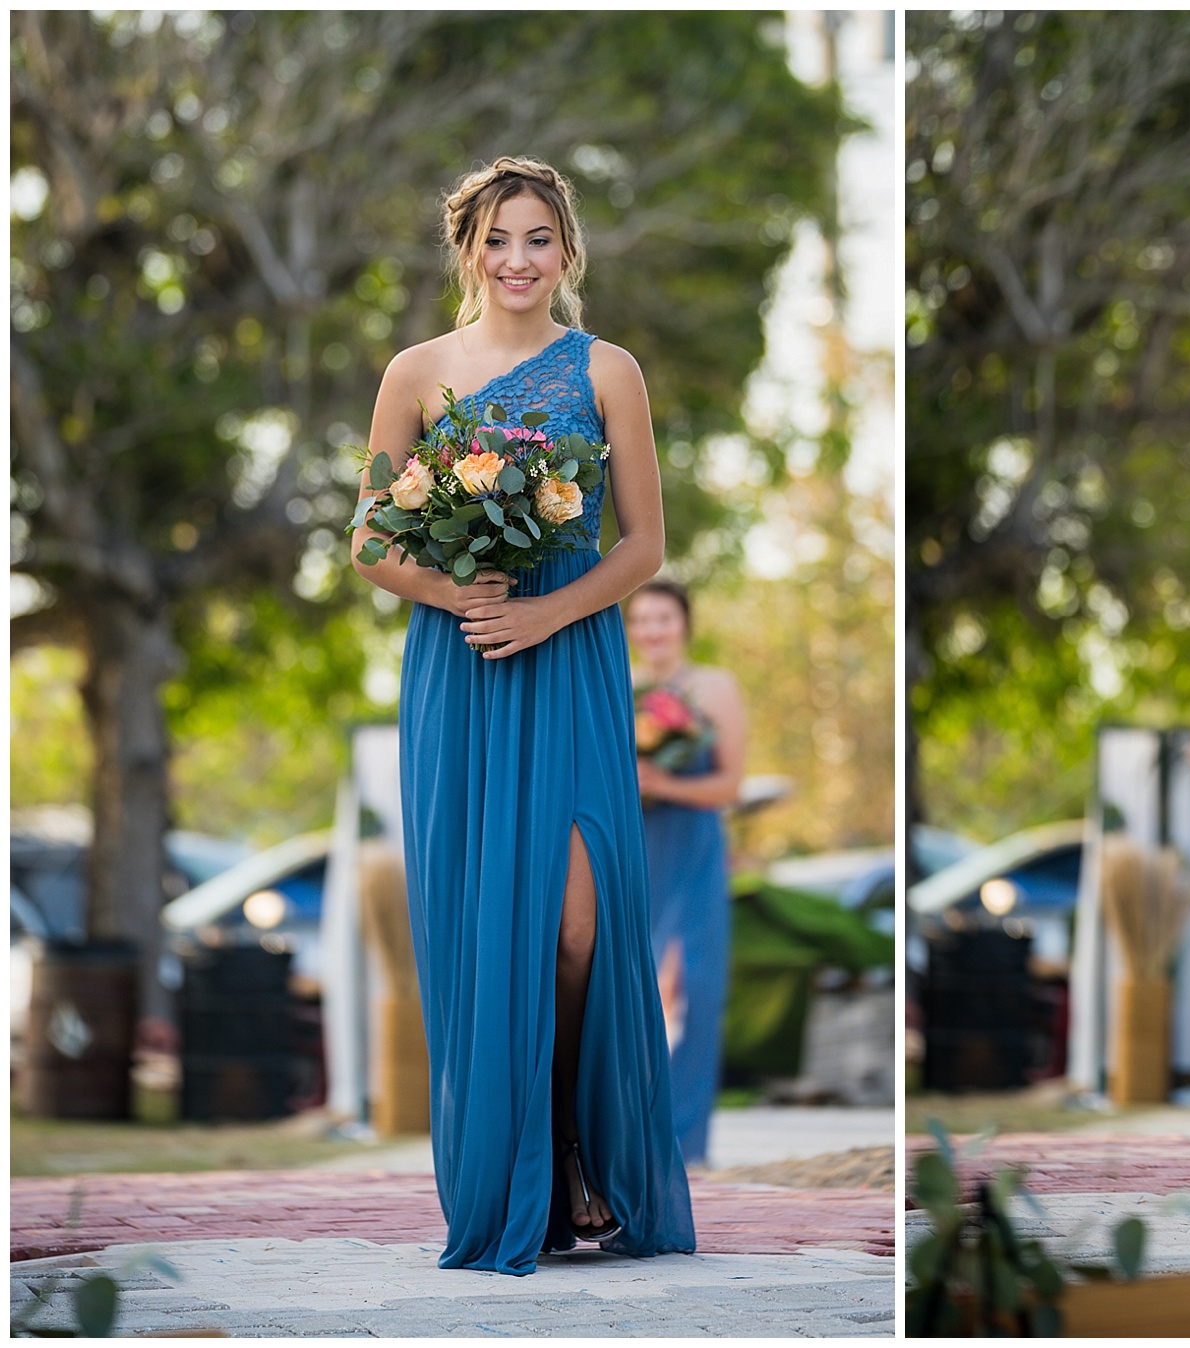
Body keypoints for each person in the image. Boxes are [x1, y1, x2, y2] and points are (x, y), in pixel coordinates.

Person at [351, 155, 694, 1274]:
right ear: (466, 252)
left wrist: (548, 616)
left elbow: (645, 544)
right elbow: (370, 541)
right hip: (462, 668)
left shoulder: (609, 370)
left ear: (568, 250)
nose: (517, 260)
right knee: (487, 929)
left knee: (579, 925)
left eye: (539, 238)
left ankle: (578, 1149)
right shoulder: (416, 372)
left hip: (572, 657)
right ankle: (531, 1181)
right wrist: (459, 591)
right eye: (498, 239)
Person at [624, 579, 748, 1165]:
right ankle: (630, 1136)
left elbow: (730, 785)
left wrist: (664, 782)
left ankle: (685, 1143)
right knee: (633, 988)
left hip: (694, 846)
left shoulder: (714, 687)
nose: (652, 630)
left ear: (684, 623)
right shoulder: (618, 686)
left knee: (697, 988)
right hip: (634, 851)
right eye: (641, 619)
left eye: (663, 618)